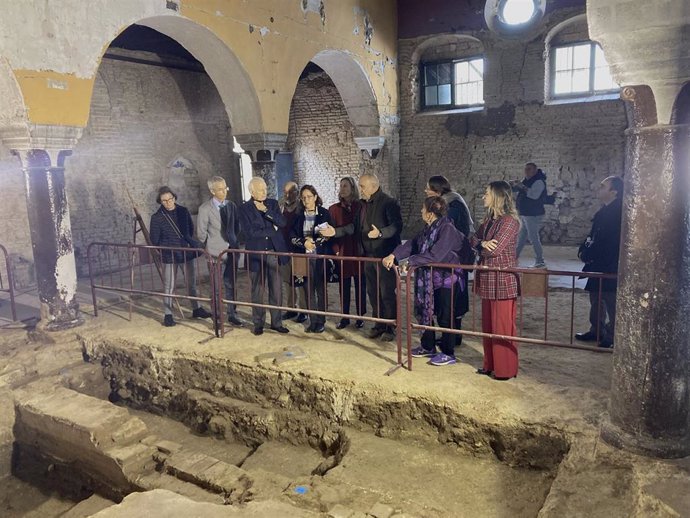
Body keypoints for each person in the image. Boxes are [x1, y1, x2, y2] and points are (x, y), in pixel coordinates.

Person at [383, 196, 467, 366]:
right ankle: (428, 346)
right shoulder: (427, 229)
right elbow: (412, 244)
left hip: (447, 279)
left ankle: (448, 352)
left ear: (430, 213)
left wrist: (411, 261)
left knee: (445, 315)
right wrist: (394, 255)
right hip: (429, 278)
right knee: (424, 311)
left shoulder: (447, 229)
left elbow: (437, 254)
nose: (421, 211)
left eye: (423, 208)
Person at [471, 181, 521, 380]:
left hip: (502, 281)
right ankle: (490, 364)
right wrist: (482, 243)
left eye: (487, 193)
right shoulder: (489, 221)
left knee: (502, 327)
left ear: (498, 197)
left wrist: (479, 247)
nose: (483, 196)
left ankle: (505, 369)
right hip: (488, 280)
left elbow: (496, 250)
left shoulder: (509, 222)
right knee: (488, 327)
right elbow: (472, 239)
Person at [149, 186, 212, 327]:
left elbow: (189, 229)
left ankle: (196, 309)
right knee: (169, 286)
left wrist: (188, 244)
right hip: (169, 255)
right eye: (164, 200)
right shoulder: (157, 218)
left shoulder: (183, 211)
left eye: (170, 199)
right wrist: (168, 246)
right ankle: (168, 314)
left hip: (185, 252)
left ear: (174, 198)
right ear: (160, 202)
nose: (168, 202)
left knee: (191, 282)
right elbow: (154, 239)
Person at [424, 175, 475, 344]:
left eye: (428, 188)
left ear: (437, 190)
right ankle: (451, 337)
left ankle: (452, 339)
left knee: (452, 300)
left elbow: (445, 229)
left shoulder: (453, 205)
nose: (425, 191)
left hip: (455, 261)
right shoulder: (450, 202)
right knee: (448, 300)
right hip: (448, 260)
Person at [575, 176, 623, 348]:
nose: (599, 188)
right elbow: (594, 235)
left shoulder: (619, 213)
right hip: (598, 263)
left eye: (603, 186)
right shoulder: (604, 211)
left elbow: (611, 242)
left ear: (614, 192)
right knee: (596, 297)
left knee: (611, 301)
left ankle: (612, 335)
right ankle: (596, 330)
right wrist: (584, 250)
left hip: (609, 264)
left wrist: (592, 253)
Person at [238, 177, 290, 336]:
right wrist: (272, 229)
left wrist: (266, 212)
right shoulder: (244, 208)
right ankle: (258, 323)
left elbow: (282, 223)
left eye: (266, 189)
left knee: (276, 289)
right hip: (256, 254)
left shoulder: (272, 204)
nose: (264, 192)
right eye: (261, 190)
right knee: (257, 290)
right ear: (252, 191)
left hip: (273, 253)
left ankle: (276, 322)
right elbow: (249, 233)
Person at [358, 173, 403, 342]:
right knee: (373, 293)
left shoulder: (389, 203)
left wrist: (380, 233)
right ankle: (378, 324)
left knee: (387, 294)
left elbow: (397, 226)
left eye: (362, 186)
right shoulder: (363, 205)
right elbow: (356, 227)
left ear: (373, 186)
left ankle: (390, 327)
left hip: (385, 256)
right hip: (368, 257)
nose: (360, 190)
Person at [197, 176, 243, 327]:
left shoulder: (231, 206)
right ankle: (217, 316)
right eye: (220, 189)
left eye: (225, 188)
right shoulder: (205, 209)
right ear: (212, 191)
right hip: (215, 254)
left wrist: (234, 242)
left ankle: (232, 314)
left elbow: (237, 226)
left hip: (232, 251)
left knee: (231, 284)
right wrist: (209, 250)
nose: (224, 191)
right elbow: (201, 234)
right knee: (216, 286)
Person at [290, 185, 334, 333]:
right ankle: (312, 320)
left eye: (309, 196)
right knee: (307, 290)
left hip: (320, 256)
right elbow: (292, 236)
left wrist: (314, 243)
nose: (306, 200)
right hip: (303, 257)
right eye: (303, 197)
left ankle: (321, 321)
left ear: (315, 197)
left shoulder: (324, 213)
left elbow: (327, 235)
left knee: (320, 289)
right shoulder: (298, 215)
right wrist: (304, 243)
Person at [328, 177, 366, 330]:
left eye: (346, 186)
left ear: (353, 188)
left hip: (358, 251)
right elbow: (330, 232)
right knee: (344, 286)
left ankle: (360, 316)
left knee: (360, 286)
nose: (342, 189)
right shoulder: (333, 209)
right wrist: (336, 251)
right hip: (342, 251)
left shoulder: (361, 207)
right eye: (341, 186)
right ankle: (345, 317)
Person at [279, 181, 307, 323]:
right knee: (287, 281)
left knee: (300, 281)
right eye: (285, 192)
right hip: (284, 250)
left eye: (291, 192)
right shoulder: (281, 207)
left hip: (298, 251)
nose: (288, 195)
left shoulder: (301, 209)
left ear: (297, 193)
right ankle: (291, 308)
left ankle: (304, 310)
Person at [512, 162, 547, 268]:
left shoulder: (539, 182)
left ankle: (540, 261)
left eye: (529, 169)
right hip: (525, 213)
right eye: (525, 169)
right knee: (521, 238)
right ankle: (513, 258)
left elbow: (534, 195)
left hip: (533, 214)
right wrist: (514, 186)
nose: (526, 171)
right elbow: (521, 191)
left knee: (533, 237)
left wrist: (521, 186)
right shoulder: (527, 180)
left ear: (535, 171)